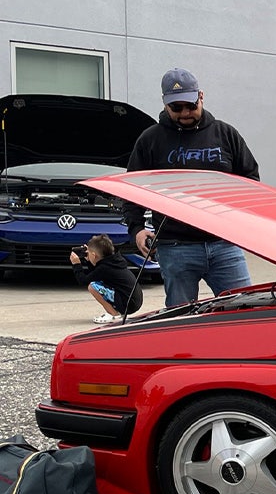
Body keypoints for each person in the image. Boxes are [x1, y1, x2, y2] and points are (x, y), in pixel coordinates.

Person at [124, 68, 260, 307]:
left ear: (201, 97)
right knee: (181, 319)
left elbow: (250, 179)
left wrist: (244, 224)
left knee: (244, 308)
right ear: (165, 104)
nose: (185, 113)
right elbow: (132, 189)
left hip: (225, 244)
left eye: (190, 105)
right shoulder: (150, 140)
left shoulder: (225, 134)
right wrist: (136, 229)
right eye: (176, 108)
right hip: (176, 247)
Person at [69, 235, 145, 324]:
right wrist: (89, 260)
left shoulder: (105, 268)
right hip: (132, 301)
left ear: (94, 255)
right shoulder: (113, 261)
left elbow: (83, 280)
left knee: (92, 287)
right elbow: (94, 275)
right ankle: (117, 312)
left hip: (128, 303)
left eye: (88, 253)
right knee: (97, 283)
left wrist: (76, 264)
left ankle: (114, 315)